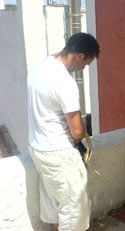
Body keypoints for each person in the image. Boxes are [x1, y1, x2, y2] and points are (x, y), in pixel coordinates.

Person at [27, 32, 100, 231]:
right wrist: (82, 132)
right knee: (74, 209)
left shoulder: (39, 66)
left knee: (55, 203)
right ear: (80, 56)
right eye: (85, 64)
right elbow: (77, 131)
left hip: (39, 148)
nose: (83, 68)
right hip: (59, 152)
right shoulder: (64, 82)